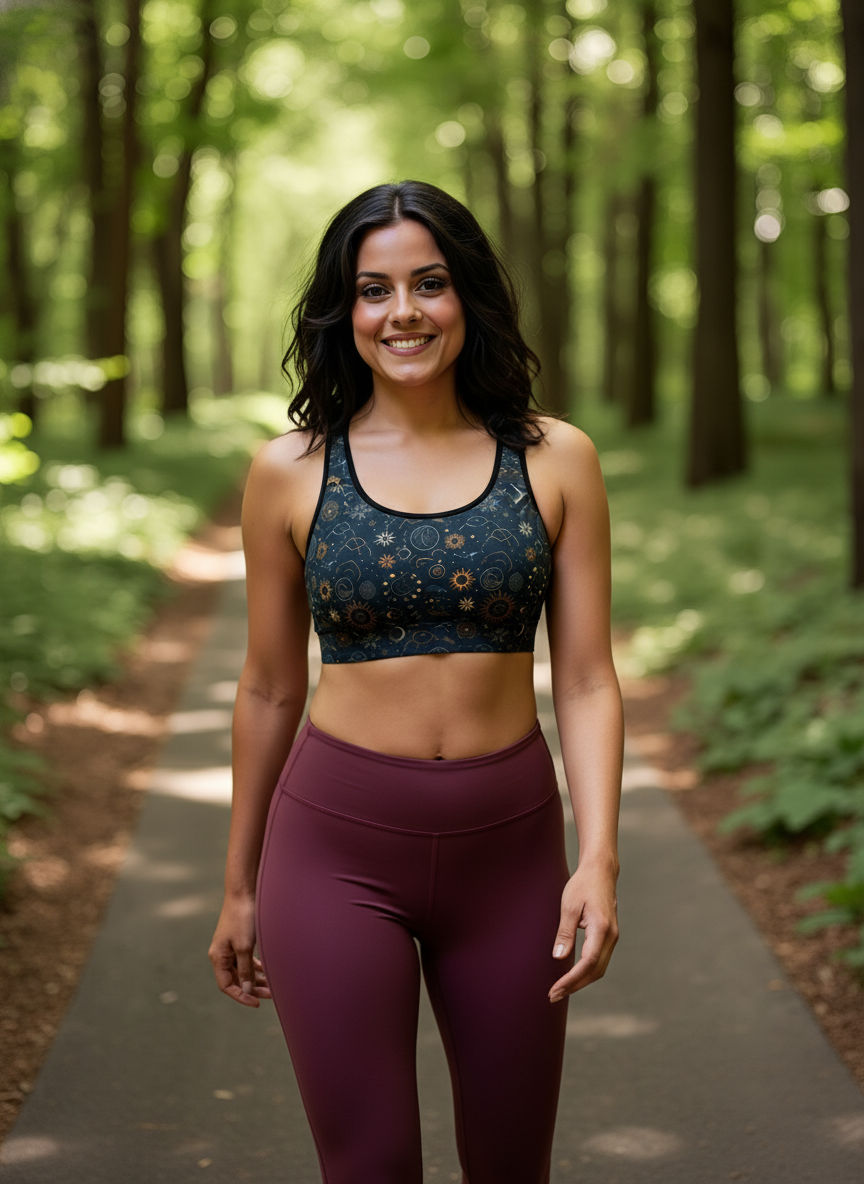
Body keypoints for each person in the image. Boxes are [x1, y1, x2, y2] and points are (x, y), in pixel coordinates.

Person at [208, 180, 623, 1184]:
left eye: (429, 283)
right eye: (374, 289)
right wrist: (239, 885)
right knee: (371, 1163)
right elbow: (268, 688)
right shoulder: (290, 469)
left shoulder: (556, 457)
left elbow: (585, 678)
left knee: (512, 1162)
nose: (403, 311)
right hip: (334, 852)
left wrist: (600, 856)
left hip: (512, 853)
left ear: (467, 295)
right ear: (343, 310)